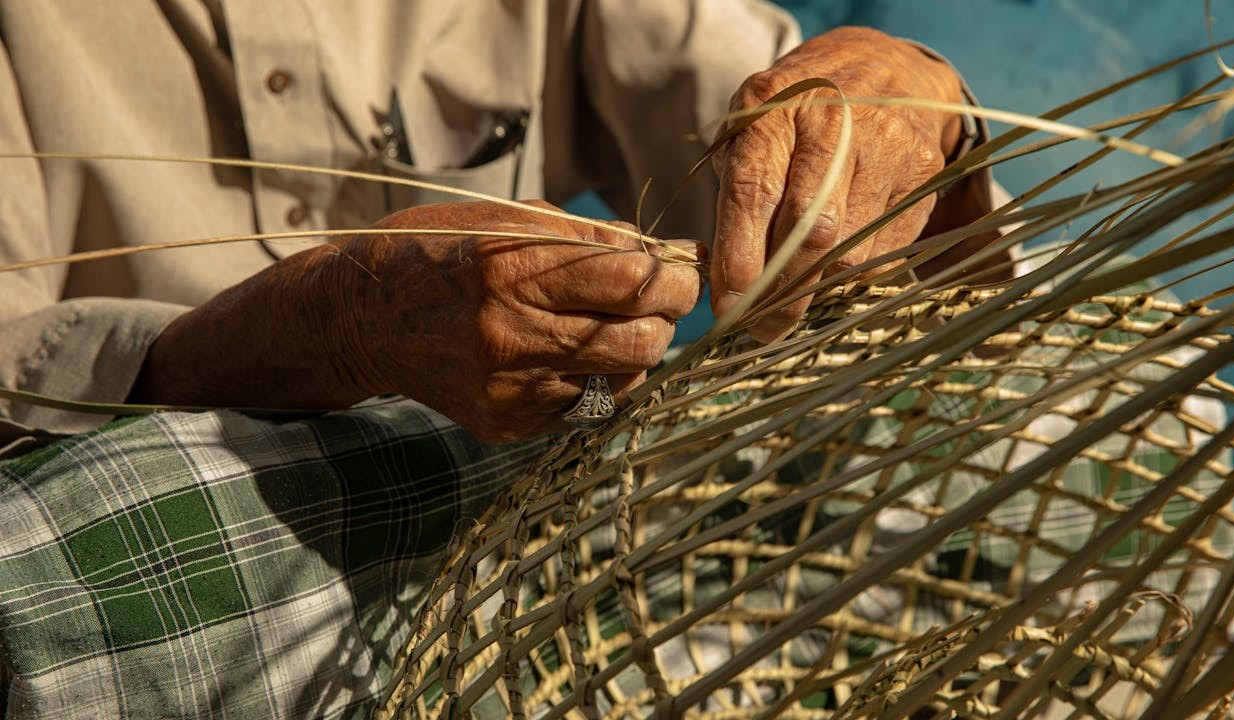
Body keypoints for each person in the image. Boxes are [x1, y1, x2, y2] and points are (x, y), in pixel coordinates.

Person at [0, 1, 999, 717]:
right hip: (165, 523)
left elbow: (783, 110)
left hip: (539, 507)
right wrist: (338, 320)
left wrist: (909, 93)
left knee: (992, 431)